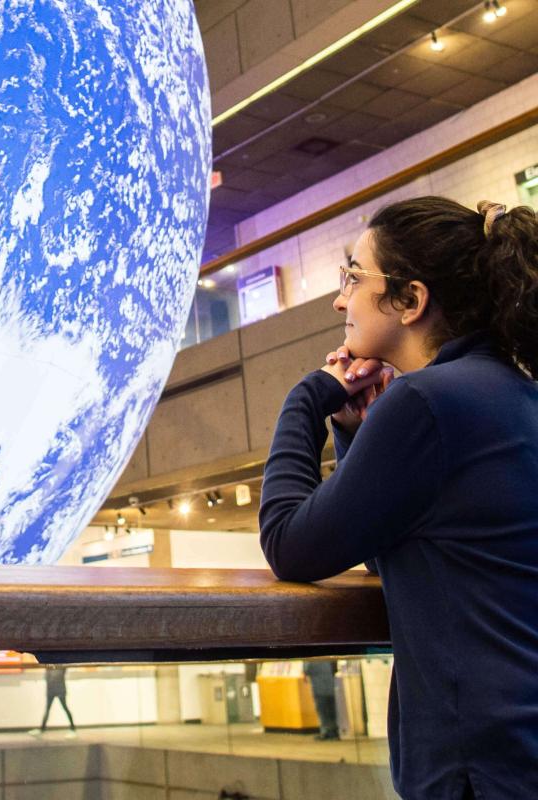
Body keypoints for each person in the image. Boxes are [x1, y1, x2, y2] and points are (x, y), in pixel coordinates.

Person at [258, 197, 538, 800]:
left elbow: (290, 544)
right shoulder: (510, 392)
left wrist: (308, 398)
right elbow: (395, 549)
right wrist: (354, 428)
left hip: (478, 765)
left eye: (353, 278)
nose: (339, 300)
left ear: (411, 300)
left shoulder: (426, 402)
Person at [30, 665, 76, 737]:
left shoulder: (61, 666)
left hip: (60, 689)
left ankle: (73, 729)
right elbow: (47, 677)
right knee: (47, 709)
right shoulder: (48, 667)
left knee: (65, 708)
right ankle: (42, 729)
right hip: (51, 690)